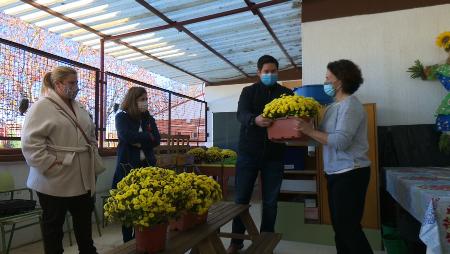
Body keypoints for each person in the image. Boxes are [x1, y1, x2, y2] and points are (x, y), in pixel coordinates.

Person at [295, 59, 373, 254]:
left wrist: (309, 131)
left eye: (328, 78)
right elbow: (321, 138)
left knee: (349, 229)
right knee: (340, 228)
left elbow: (340, 141)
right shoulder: (332, 107)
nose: (325, 82)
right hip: (335, 173)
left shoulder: (351, 106)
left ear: (341, 81)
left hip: (351, 173)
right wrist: (293, 133)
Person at [21, 66, 98, 254]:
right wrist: (50, 164)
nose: (76, 87)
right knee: (54, 226)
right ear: (58, 84)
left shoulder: (79, 107)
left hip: (81, 177)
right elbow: (30, 143)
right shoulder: (42, 107)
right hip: (54, 178)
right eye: (72, 83)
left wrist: (93, 152)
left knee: (84, 223)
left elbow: (90, 134)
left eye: (77, 82)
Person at [227, 55, 294, 253]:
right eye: (266, 72)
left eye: (273, 71)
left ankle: (265, 243)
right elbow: (241, 114)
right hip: (248, 152)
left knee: (271, 202)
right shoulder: (248, 92)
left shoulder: (286, 93)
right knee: (241, 199)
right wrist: (254, 120)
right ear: (258, 72)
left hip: (275, 154)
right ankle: (236, 242)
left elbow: (292, 116)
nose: (270, 74)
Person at [111, 86, 161, 242]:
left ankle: (143, 238)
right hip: (128, 168)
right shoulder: (122, 116)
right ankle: (128, 241)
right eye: (142, 99)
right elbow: (126, 136)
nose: (145, 103)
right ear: (133, 100)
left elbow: (157, 139)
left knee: (147, 205)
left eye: (146, 99)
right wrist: (146, 137)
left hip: (147, 166)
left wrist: (140, 140)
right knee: (128, 207)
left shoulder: (148, 118)